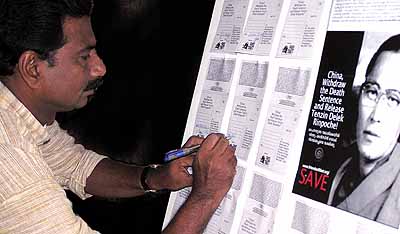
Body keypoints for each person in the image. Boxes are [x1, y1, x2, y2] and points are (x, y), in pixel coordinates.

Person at [0, 0, 237, 233]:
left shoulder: (16, 110)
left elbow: (73, 164)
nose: (99, 68)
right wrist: (206, 196)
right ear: (32, 67)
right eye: (84, 57)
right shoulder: (10, 159)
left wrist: (155, 177)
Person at [327, 34, 400, 228]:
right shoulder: (338, 167)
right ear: (360, 94)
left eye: (394, 100)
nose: (376, 115)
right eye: (372, 92)